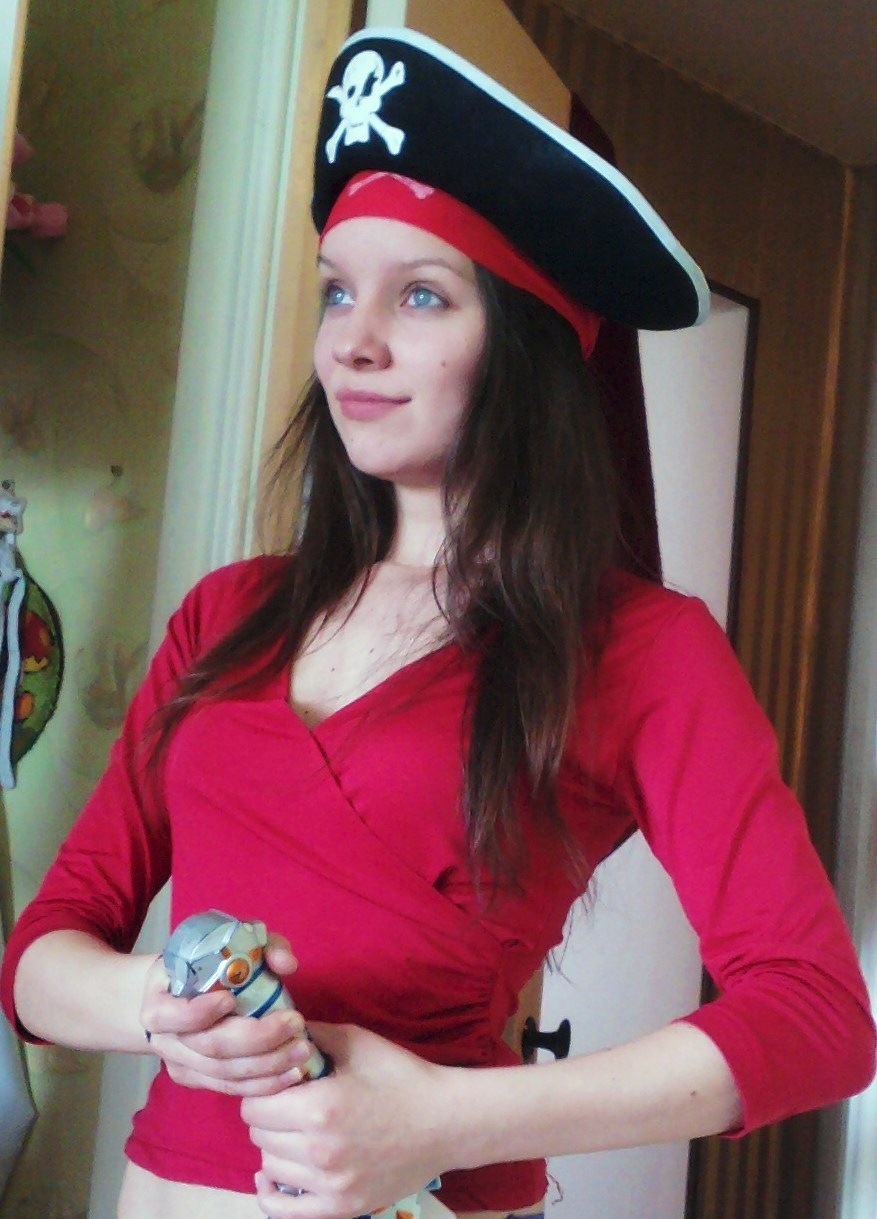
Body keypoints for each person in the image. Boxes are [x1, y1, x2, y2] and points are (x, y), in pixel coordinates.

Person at [1, 26, 874, 1219]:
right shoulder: (228, 613)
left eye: (419, 294)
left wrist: (441, 1117)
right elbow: (44, 952)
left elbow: (818, 1018)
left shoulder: (643, 649)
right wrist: (165, 1007)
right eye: (337, 289)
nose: (352, 341)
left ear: (525, 345)